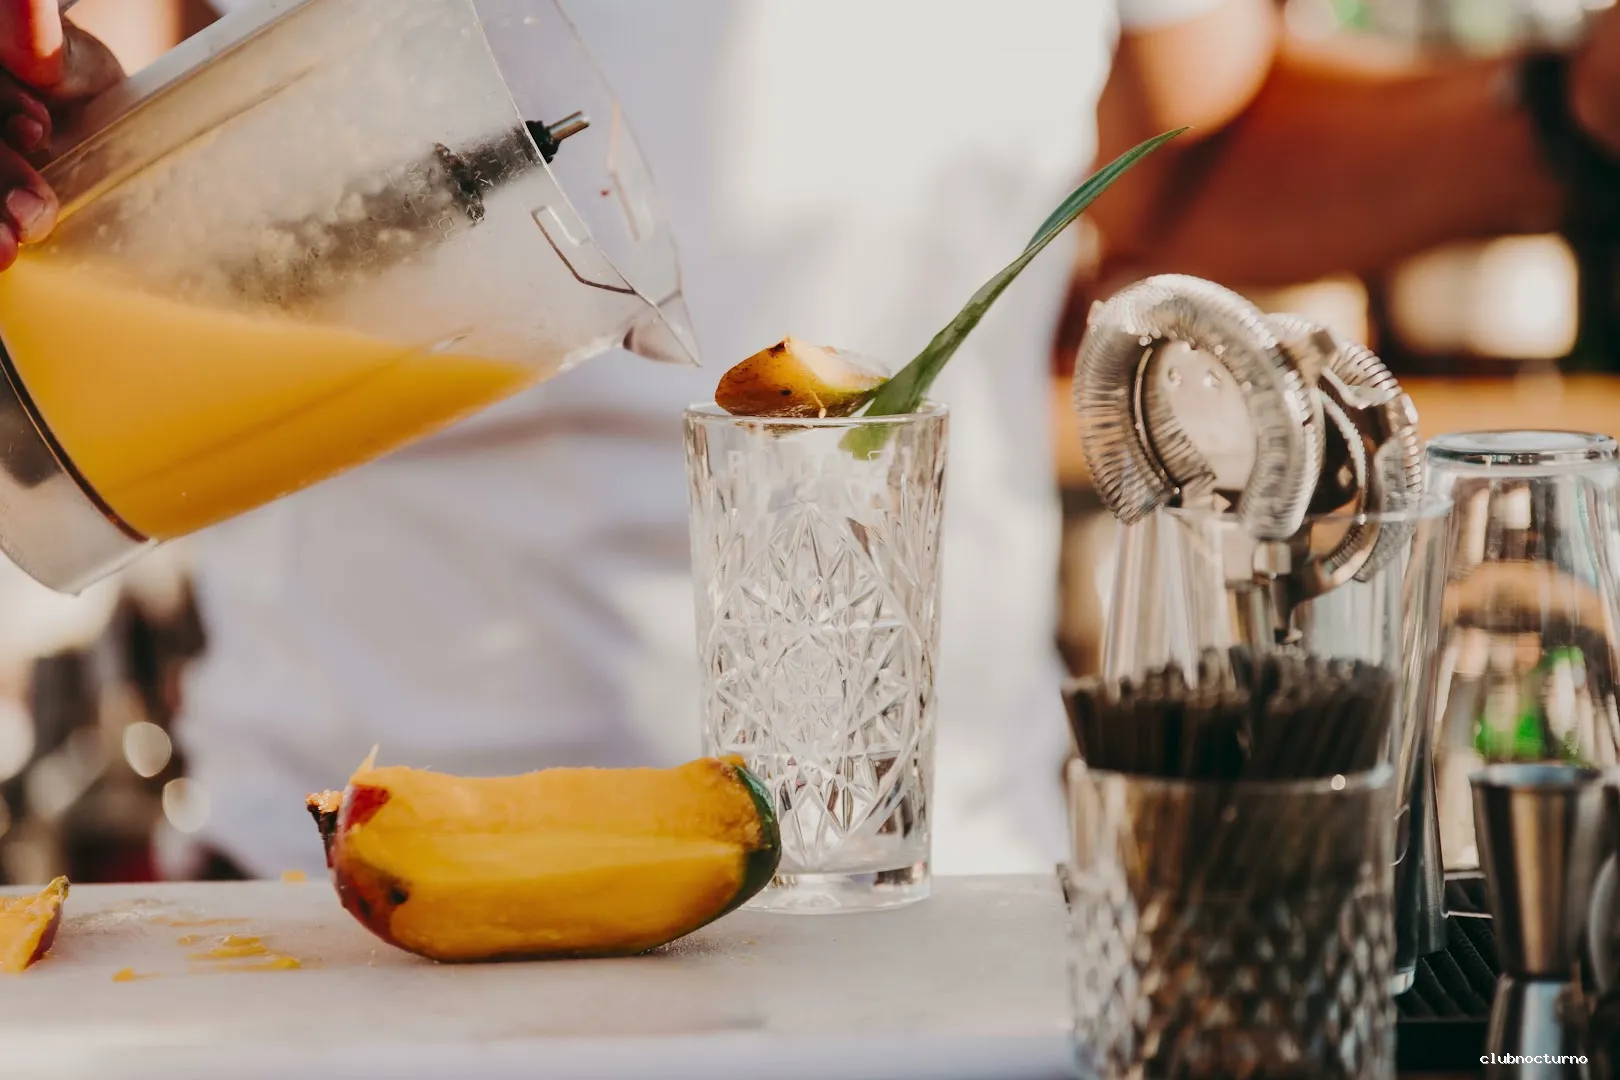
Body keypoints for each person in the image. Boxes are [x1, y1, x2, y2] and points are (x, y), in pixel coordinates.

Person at [0, 0, 1613, 882]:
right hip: (362, 895)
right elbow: (110, 79)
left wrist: (1571, 115)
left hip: (930, 899)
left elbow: (1177, 155)